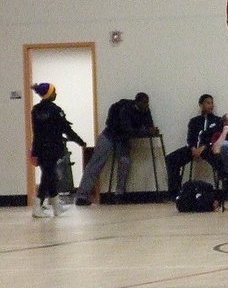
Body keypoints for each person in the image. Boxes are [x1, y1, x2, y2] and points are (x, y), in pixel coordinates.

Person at [75, 92, 159, 206]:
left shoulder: (145, 111)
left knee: (125, 162)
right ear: (137, 102)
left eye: (147, 103)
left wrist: (151, 130)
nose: (147, 106)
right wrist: (146, 131)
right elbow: (128, 129)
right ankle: (82, 196)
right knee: (96, 164)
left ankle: (120, 194)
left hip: (122, 138)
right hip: (110, 135)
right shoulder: (125, 108)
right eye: (144, 103)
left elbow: (147, 126)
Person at [29, 82, 86, 218]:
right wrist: (80, 142)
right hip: (53, 148)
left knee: (49, 175)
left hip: (40, 148)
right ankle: (37, 206)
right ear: (49, 94)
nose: (56, 94)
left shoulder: (35, 110)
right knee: (48, 177)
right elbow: (66, 129)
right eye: (54, 92)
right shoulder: (55, 110)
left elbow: (36, 132)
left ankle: (56, 207)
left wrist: (34, 151)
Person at [164, 94, 223, 197]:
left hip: (208, 148)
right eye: (208, 103)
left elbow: (216, 138)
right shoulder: (194, 121)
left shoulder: (217, 121)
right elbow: (190, 138)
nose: (210, 105)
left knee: (221, 160)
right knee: (171, 159)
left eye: (212, 103)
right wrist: (193, 148)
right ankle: (175, 192)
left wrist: (204, 147)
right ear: (201, 105)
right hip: (193, 149)